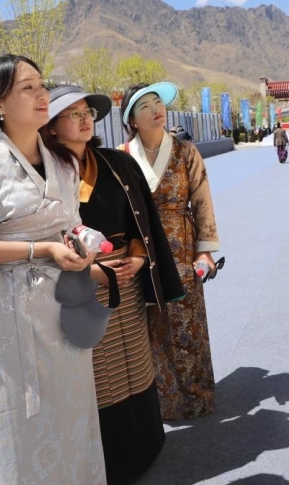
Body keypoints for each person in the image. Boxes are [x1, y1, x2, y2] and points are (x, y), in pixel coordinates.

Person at [0, 55, 106, 484]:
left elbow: (70, 224)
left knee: (73, 413)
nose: (42, 95)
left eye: (42, 85)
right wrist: (43, 249)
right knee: (20, 419)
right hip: (14, 312)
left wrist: (83, 245)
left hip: (65, 305)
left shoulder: (63, 160)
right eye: (28, 88)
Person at [40, 85, 184, 482]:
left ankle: (147, 443)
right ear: (50, 127)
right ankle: (112, 462)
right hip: (80, 278)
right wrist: (91, 268)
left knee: (135, 359)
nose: (85, 119)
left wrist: (137, 256)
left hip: (126, 273)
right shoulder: (43, 173)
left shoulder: (116, 162)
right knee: (99, 371)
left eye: (87, 112)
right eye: (73, 114)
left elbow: (140, 217)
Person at [119, 82, 221, 420]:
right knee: (149, 325)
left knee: (186, 321)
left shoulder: (186, 151)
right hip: (141, 251)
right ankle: (162, 402)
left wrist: (205, 251)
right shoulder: (121, 157)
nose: (155, 109)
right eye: (144, 106)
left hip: (181, 247)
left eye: (157, 102)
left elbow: (202, 202)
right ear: (132, 120)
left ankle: (196, 395)